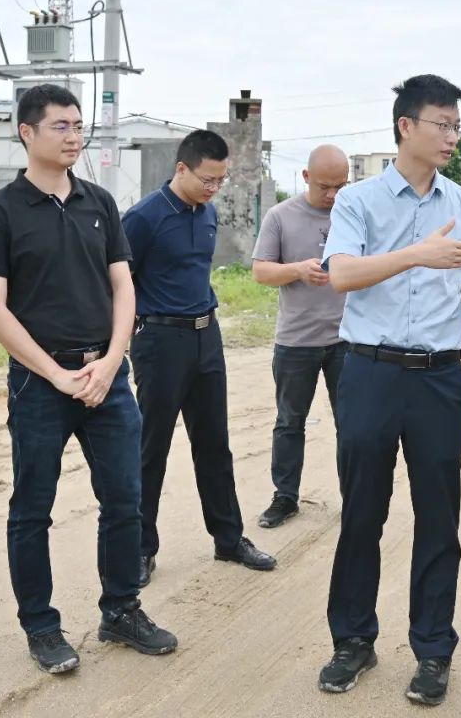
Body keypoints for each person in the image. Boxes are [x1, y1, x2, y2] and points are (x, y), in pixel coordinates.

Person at [0, 83, 177, 674]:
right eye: (60, 126)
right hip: (40, 383)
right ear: (26, 133)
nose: (74, 135)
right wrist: (57, 375)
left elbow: (123, 286)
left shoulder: (99, 203)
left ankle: (121, 610)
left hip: (106, 376)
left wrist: (110, 362)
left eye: (78, 125)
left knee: (125, 500)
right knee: (33, 507)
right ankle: (42, 627)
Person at [317, 74, 461, 707]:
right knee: (362, 512)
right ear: (406, 127)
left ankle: (432, 649)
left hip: (439, 380)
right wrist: (415, 254)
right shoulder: (360, 202)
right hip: (369, 372)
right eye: (443, 124)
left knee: (439, 518)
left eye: (456, 125)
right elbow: (341, 274)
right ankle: (352, 641)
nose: (453, 135)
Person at [122, 130, 276, 588]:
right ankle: (140, 548)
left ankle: (228, 539)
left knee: (214, 444)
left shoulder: (206, 213)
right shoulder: (143, 218)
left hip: (206, 339)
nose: (215, 188)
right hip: (160, 343)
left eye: (221, 180)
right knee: (152, 449)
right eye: (208, 179)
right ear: (182, 168)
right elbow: (118, 282)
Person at [252, 144, 350, 529]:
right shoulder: (280, 216)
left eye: (341, 185)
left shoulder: (353, 214)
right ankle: (285, 496)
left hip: (347, 339)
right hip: (296, 341)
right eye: (325, 186)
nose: (333, 195)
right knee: (290, 421)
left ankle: (355, 497)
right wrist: (297, 270)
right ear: (306, 177)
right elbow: (260, 272)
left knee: (352, 422)